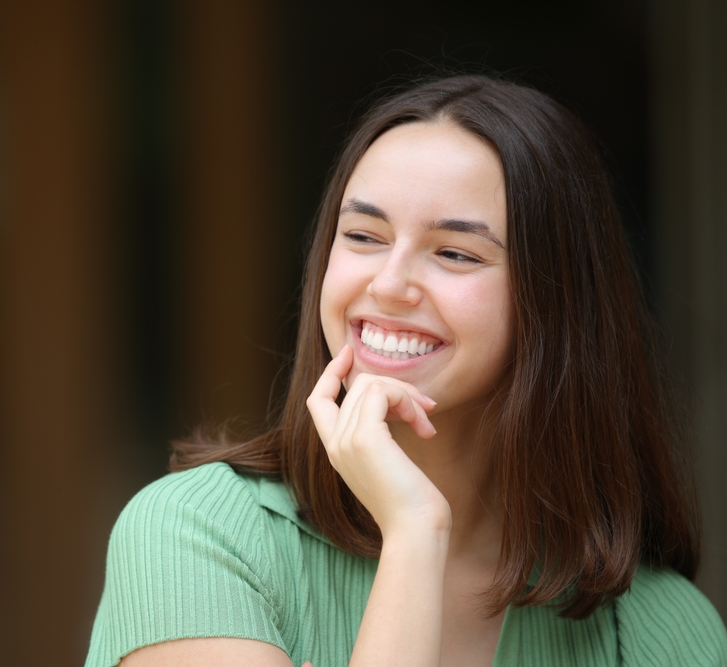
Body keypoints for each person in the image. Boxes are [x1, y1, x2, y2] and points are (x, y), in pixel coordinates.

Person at [85, 75, 727, 667]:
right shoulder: (203, 537)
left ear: (556, 307)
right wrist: (417, 532)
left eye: (454, 252)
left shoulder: (649, 629)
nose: (389, 285)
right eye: (363, 236)